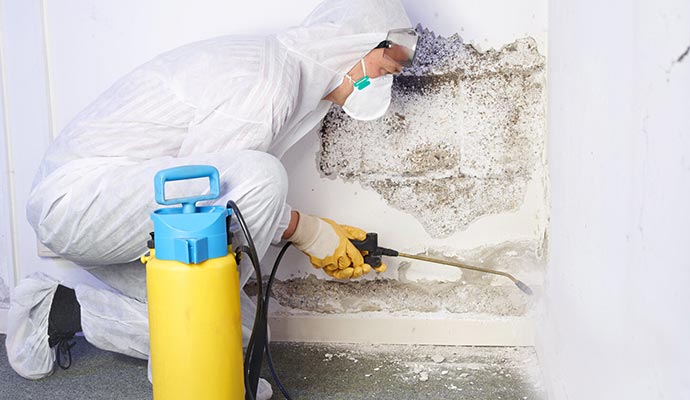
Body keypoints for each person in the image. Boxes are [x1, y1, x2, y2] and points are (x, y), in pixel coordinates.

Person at [5, 0, 412, 399]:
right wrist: (307, 232)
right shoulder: (267, 84)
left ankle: (61, 309)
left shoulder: (284, 73)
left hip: (122, 204)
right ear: (354, 46)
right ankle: (189, 371)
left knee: (245, 333)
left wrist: (313, 232)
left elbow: (206, 196)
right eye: (383, 70)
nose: (381, 85)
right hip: (80, 202)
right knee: (262, 178)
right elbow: (201, 200)